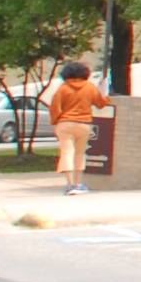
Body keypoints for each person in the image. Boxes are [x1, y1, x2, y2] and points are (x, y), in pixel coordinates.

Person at [45, 61, 110, 189]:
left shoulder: (63, 88)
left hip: (65, 124)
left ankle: (69, 184)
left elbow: (55, 108)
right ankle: (79, 183)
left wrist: (55, 122)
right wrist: (105, 96)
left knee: (67, 153)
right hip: (84, 124)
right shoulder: (90, 87)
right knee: (80, 154)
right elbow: (100, 104)